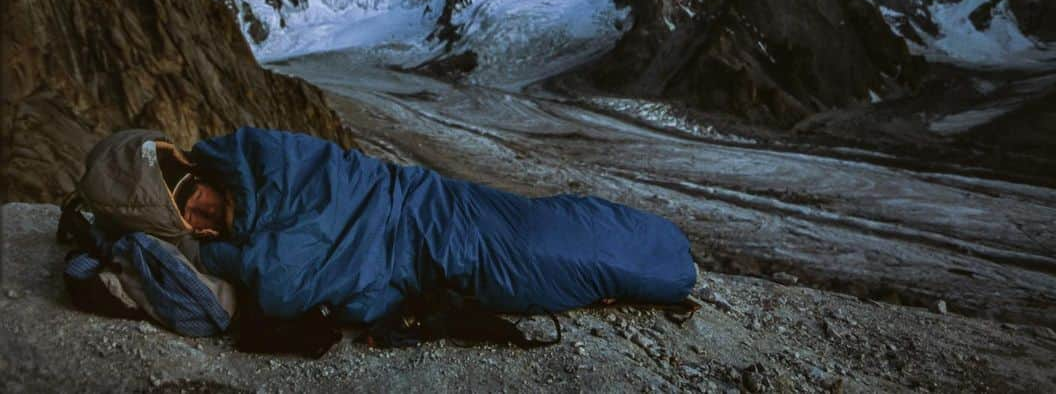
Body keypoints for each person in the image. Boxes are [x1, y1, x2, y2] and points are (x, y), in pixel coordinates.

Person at [84, 127, 698, 332]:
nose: (200, 220)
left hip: (420, 213)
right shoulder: (237, 199)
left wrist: (212, 258)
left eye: (193, 198)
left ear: (192, 167)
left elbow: (285, 282)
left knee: (543, 243)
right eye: (183, 222)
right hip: (421, 252)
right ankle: (655, 261)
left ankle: (667, 261)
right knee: (538, 260)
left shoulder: (262, 158)